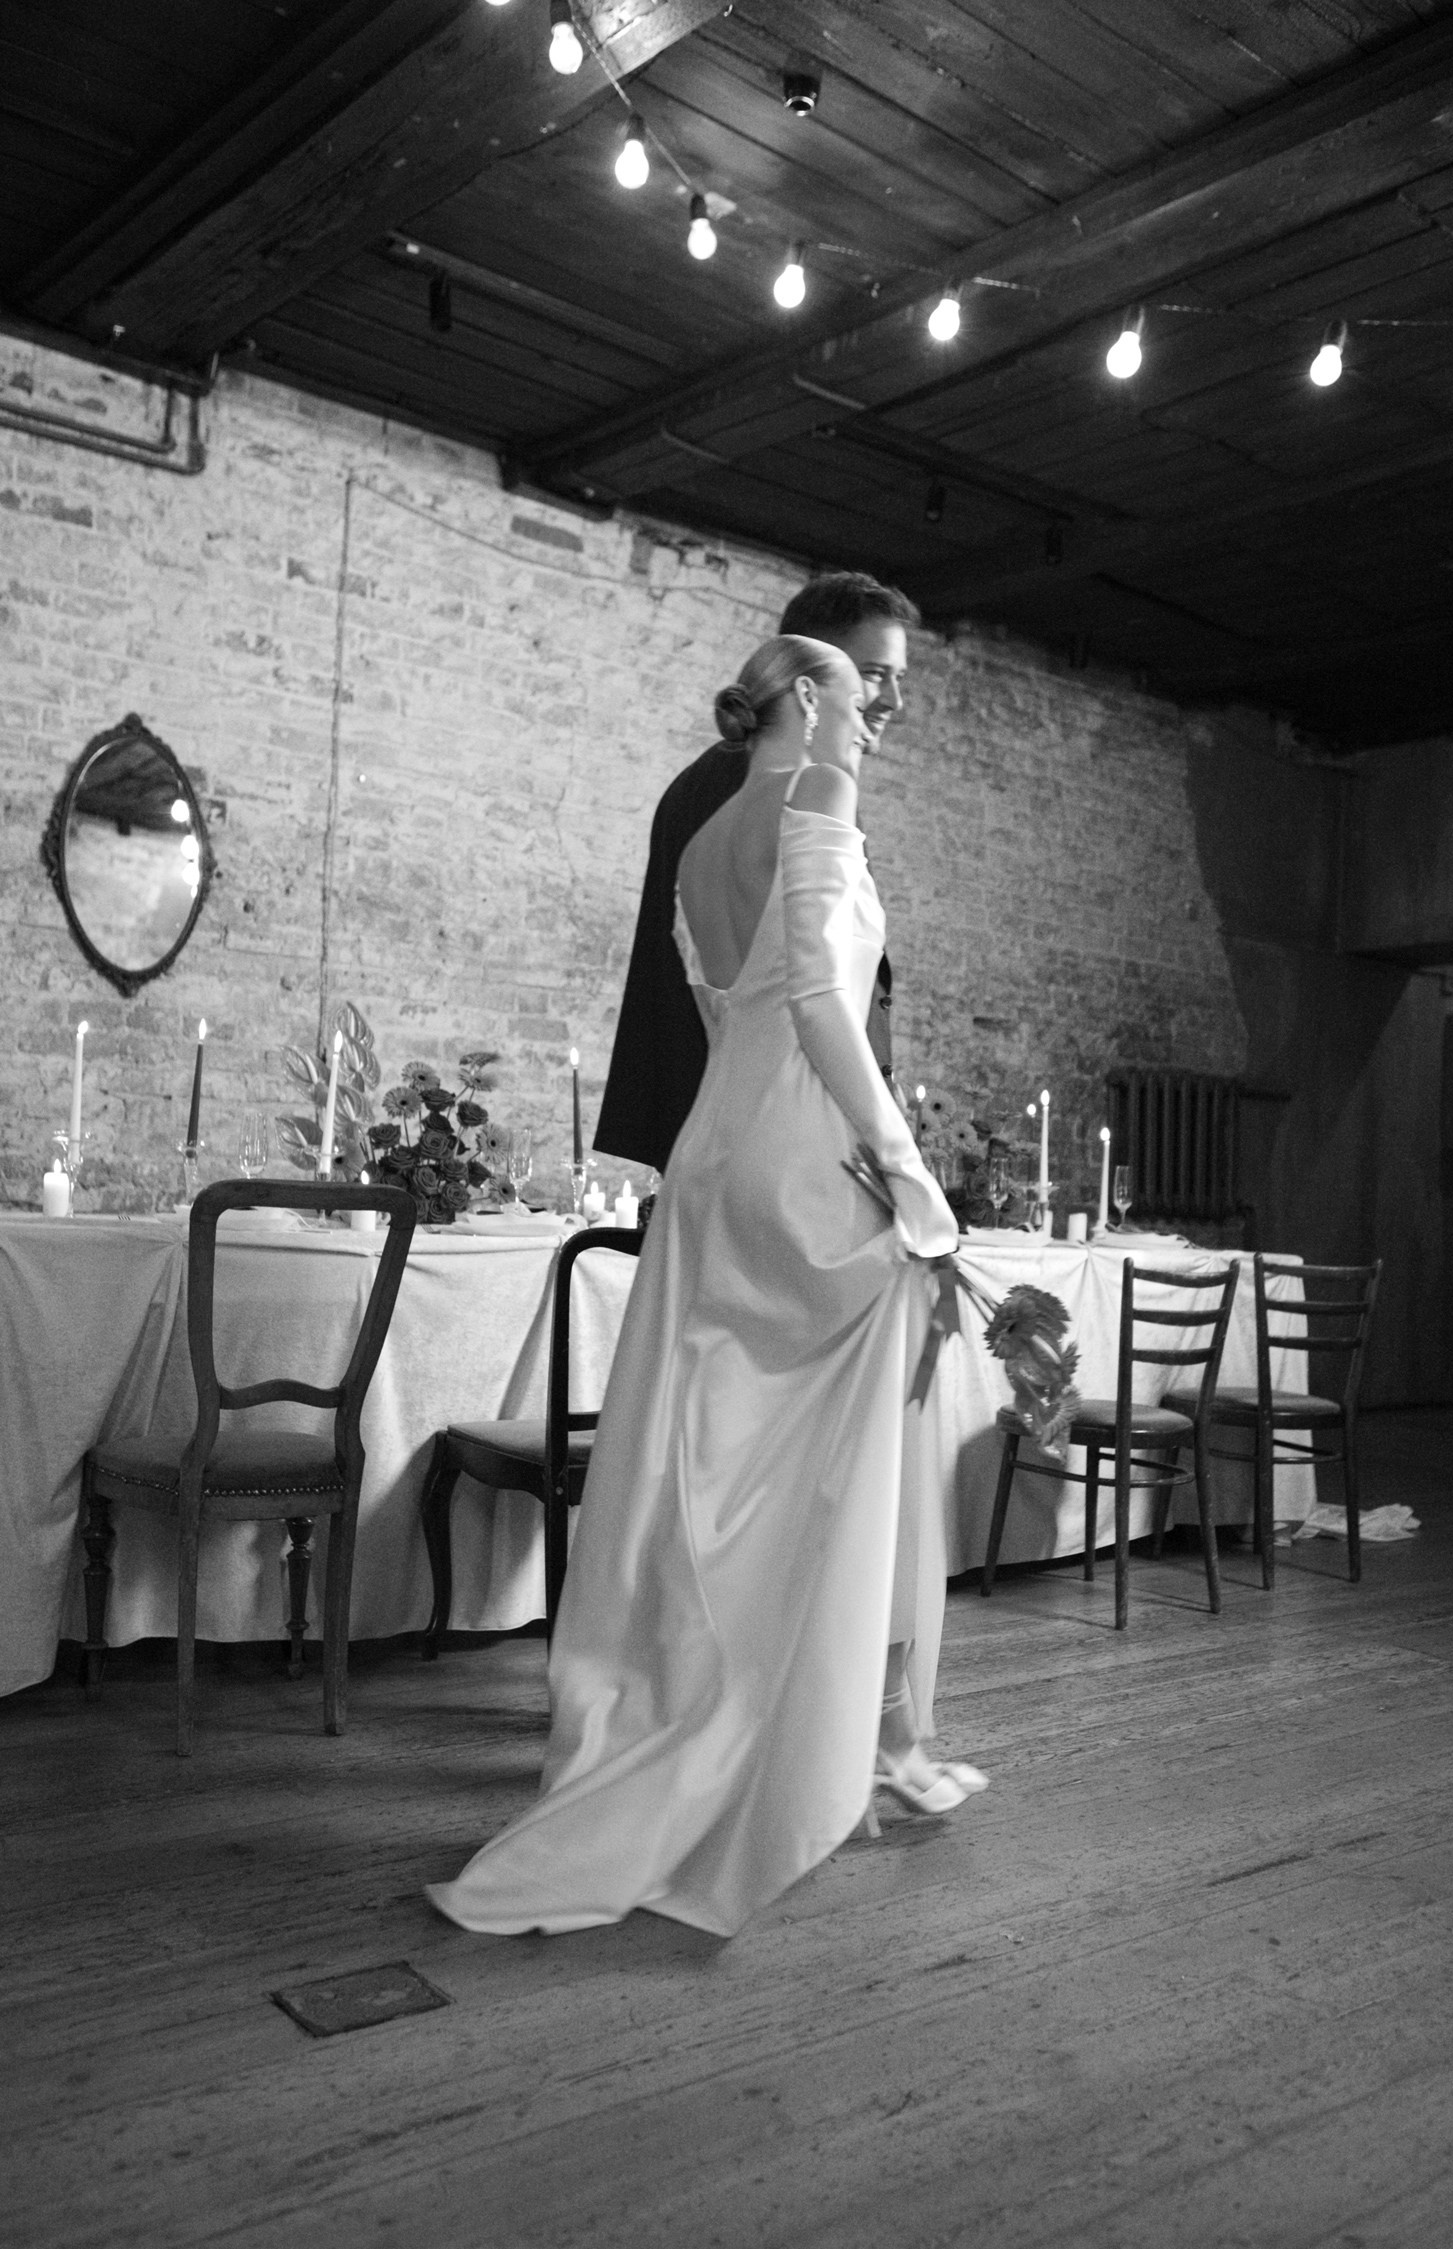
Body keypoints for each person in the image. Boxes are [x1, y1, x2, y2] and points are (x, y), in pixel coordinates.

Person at [427, 635, 986, 1941]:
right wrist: (912, 1178)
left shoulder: (695, 844)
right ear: (808, 696)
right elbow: (819, 1002)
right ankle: (800, 1760)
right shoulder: (817, 792)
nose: (878, 714)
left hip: (710, 1161)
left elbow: (722, 1013)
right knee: (825, 1467)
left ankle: (711, 1731)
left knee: (711, 1466)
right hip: (807, 1158)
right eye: (862, 693)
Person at [594, 573, 918, 1176]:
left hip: (716, 1124)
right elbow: (807, 989)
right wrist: (889, 1140)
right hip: (788, 1126)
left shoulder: (709, 783)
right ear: (812, 674)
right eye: (874, 674)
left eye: (899, 677)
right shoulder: (795, 789)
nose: (893, 701)